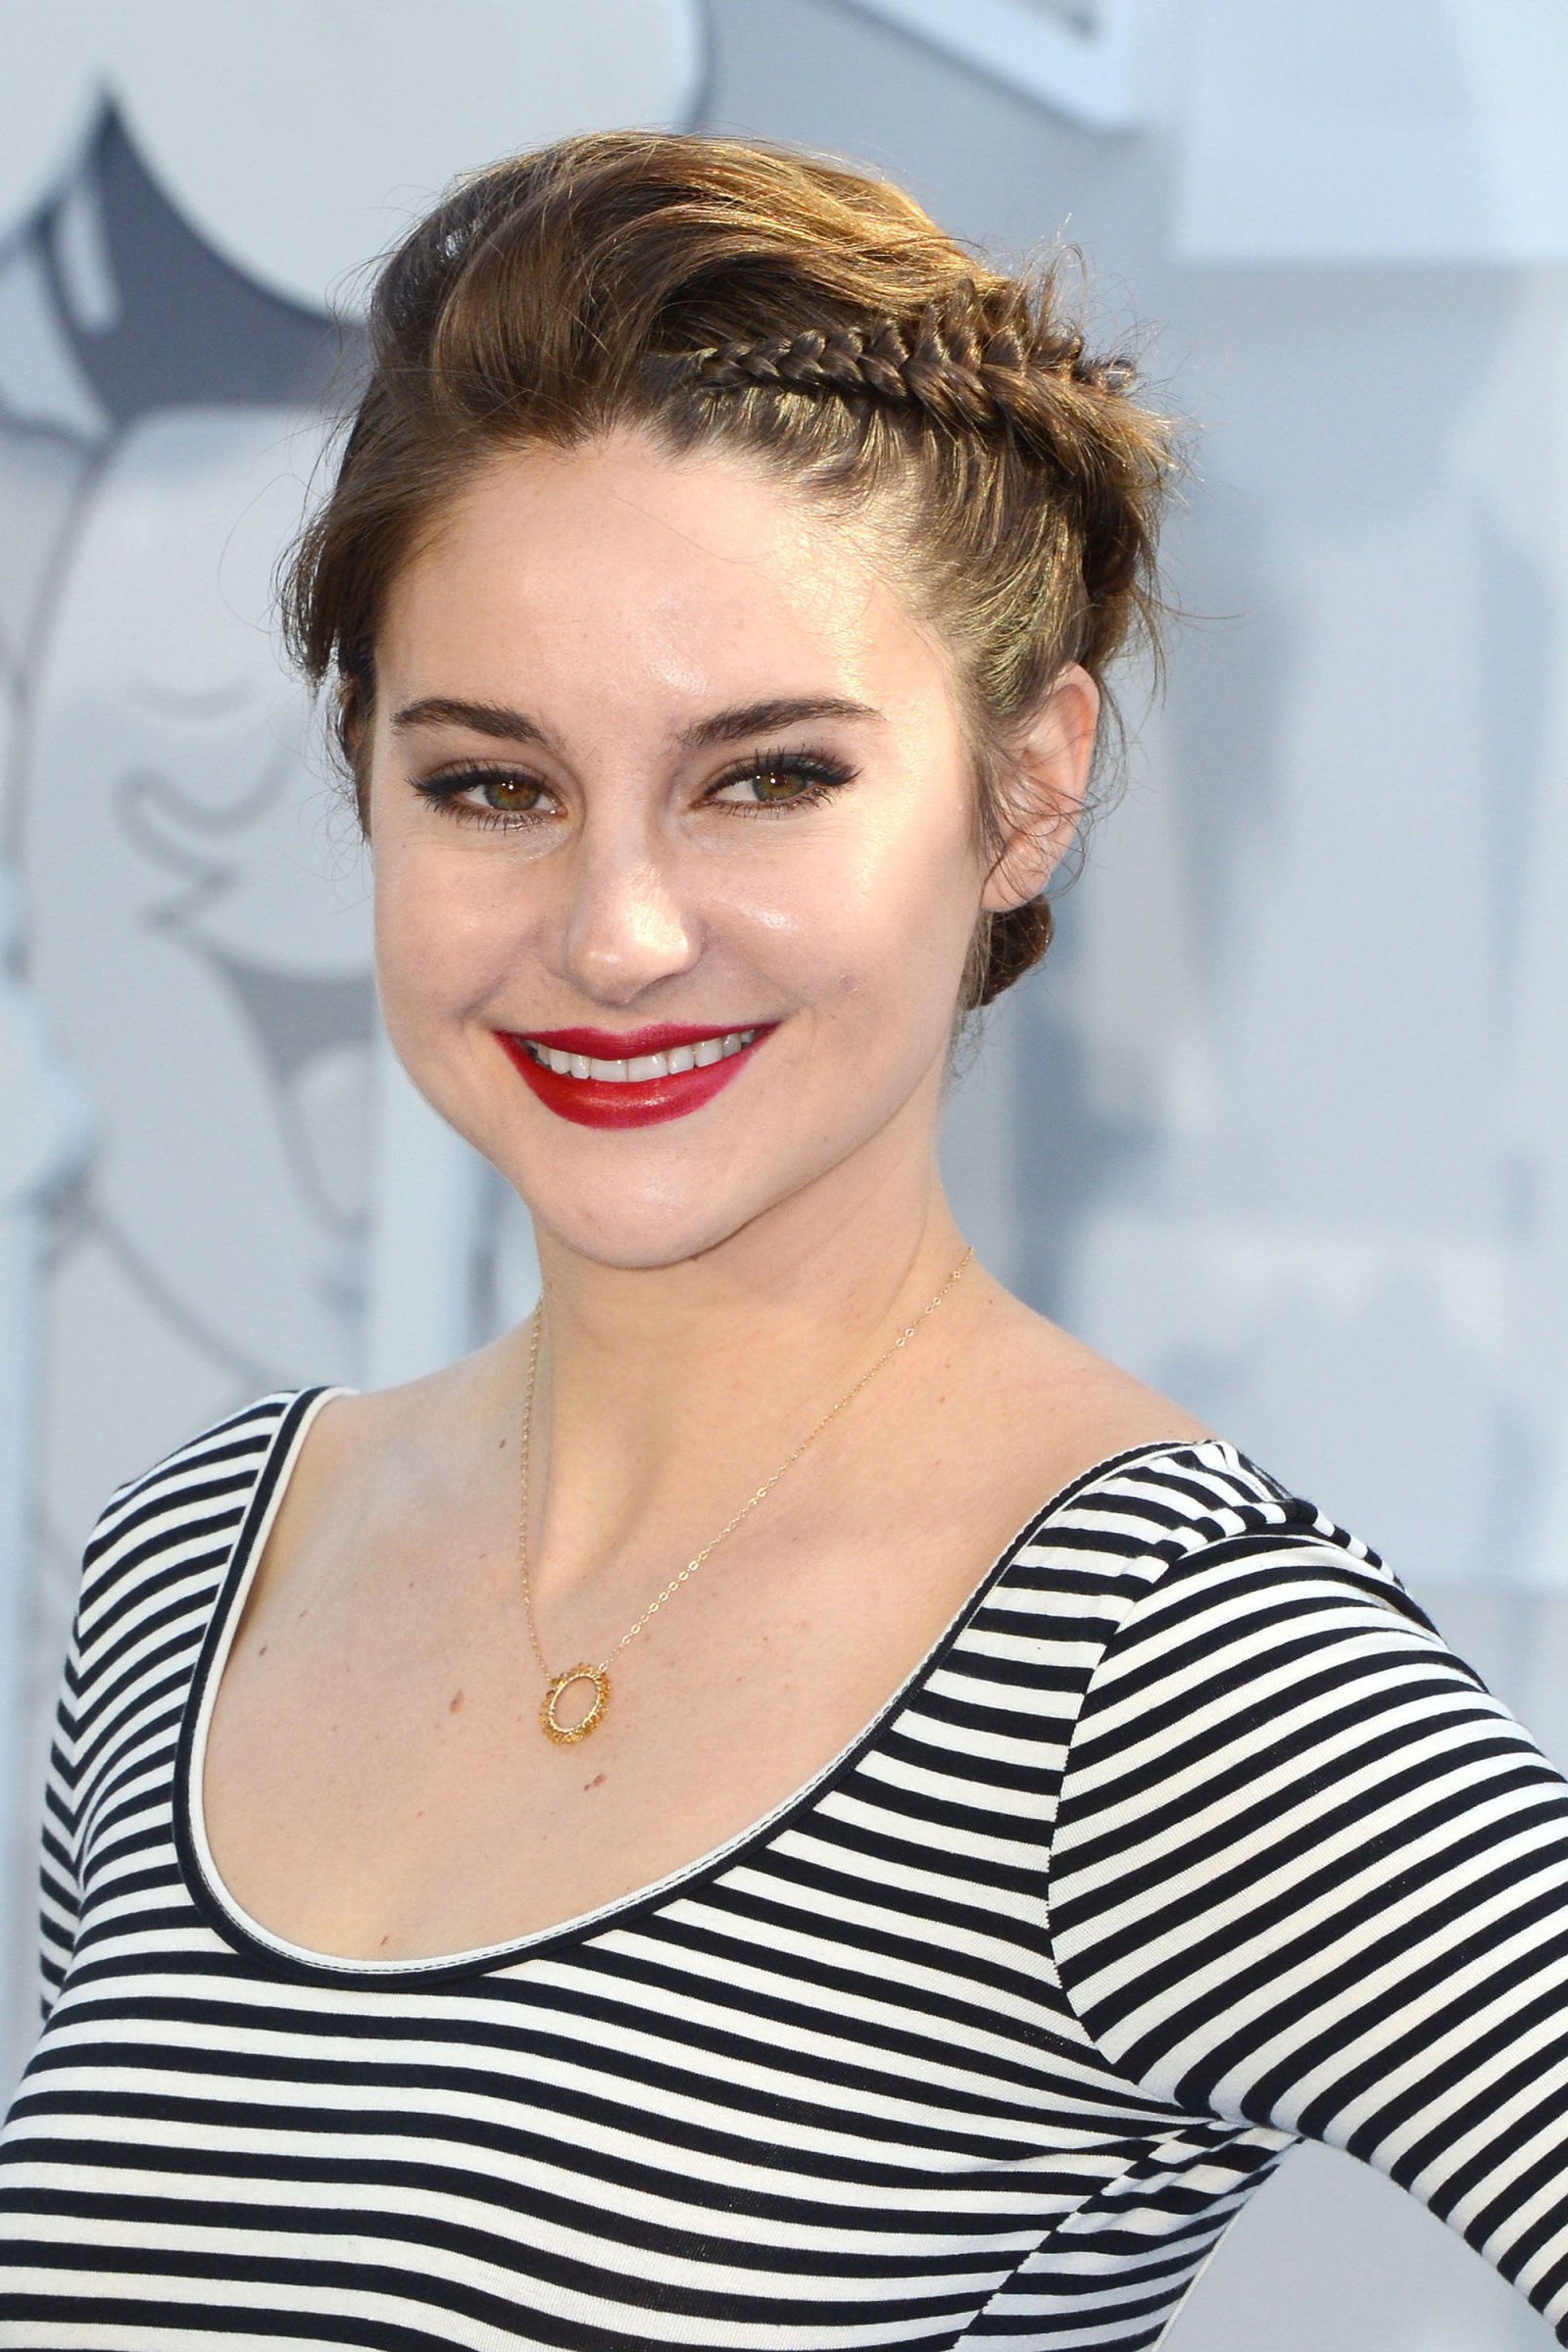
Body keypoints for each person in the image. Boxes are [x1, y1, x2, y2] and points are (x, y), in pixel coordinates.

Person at [2, 130, 1566, 2352]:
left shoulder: (1156, 1670)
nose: (617, 931)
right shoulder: (193, 1565)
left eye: (767, 777)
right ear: (363, 779)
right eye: (491, 784)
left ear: (1024, 788)